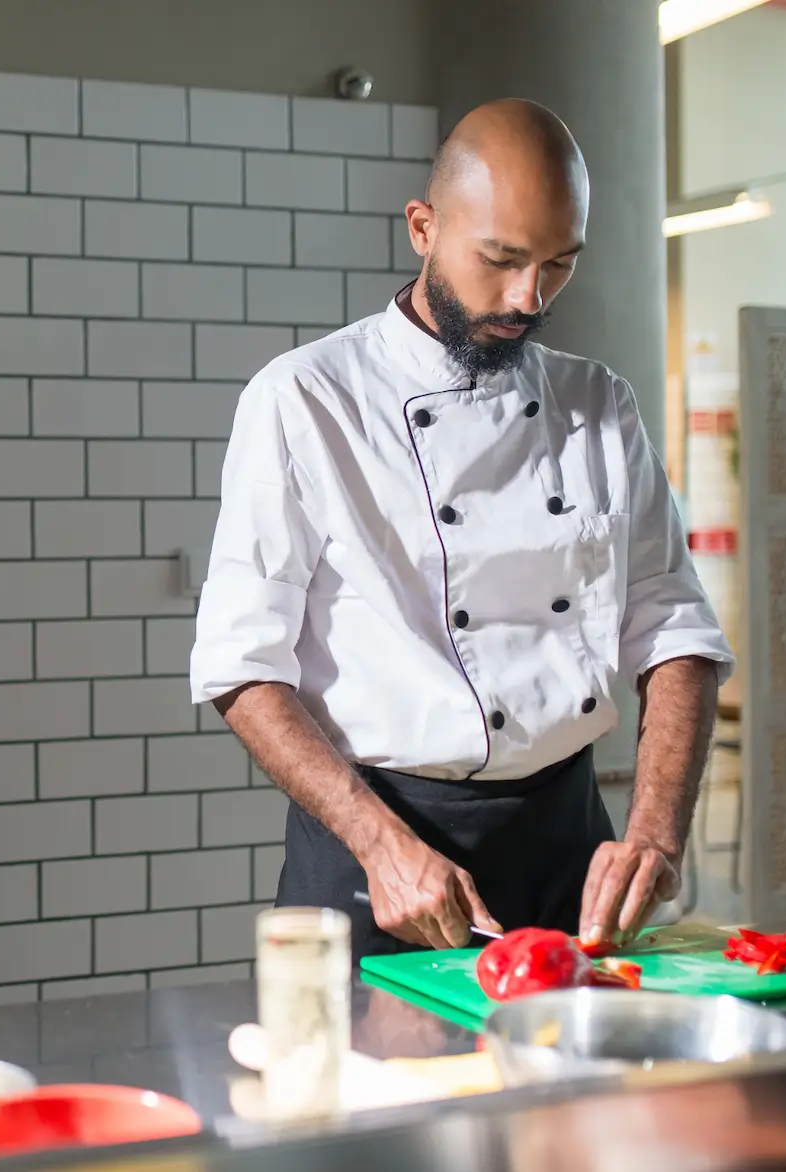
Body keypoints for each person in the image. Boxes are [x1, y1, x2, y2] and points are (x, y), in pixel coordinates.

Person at [189, 98, 732, 960]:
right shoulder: (305, 399)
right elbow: (241, 666)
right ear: (422, 227)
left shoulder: (599, 404)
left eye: (559, 264)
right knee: (384, 1094)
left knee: (572, 1093)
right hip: (381, 855)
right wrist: (379, 844)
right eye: (502, 259)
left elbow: (676, 628)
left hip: (566, 848)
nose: (529, 297)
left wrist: (656, 838)